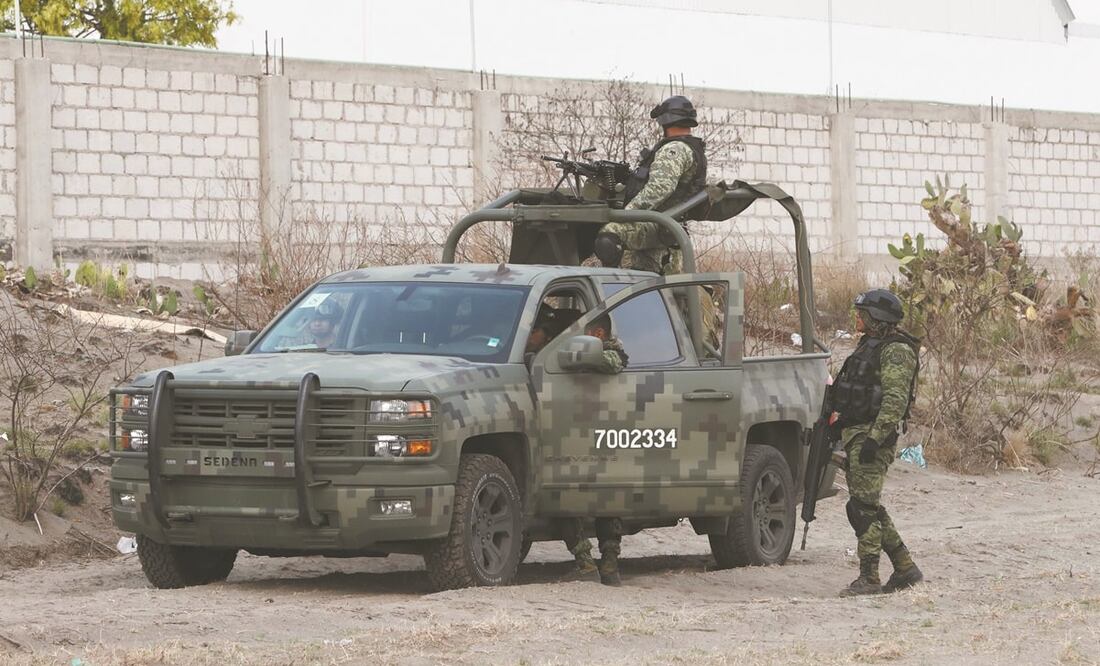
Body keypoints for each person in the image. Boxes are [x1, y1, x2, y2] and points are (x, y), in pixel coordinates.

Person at [833, 289, 923, 596]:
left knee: (862, 509)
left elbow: (895, 401)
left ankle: (869, 577)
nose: (858, 318)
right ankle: (904, 567)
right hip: (857, 433)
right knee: (865, 505)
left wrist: (875, 439)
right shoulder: (869, 345)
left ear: (877, 317)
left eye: (863, 313)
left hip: (872, 437)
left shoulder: (897, 350)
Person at [593, 95, 707, 275]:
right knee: (656, 286)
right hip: (667, 229)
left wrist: (628, 213)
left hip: (659, 225)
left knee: (609, 236)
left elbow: (660, 188)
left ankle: (609, 286)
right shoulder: (691, 148)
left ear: (665, 122)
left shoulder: (674, 149)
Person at [559, 314, 629, 585]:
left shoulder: (614, 353)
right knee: (569, 498)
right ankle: (586, 563)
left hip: (604, 434)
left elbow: (611, 363)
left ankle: (608, 565)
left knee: (606, 501)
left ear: (598, 334)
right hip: (584, 430)